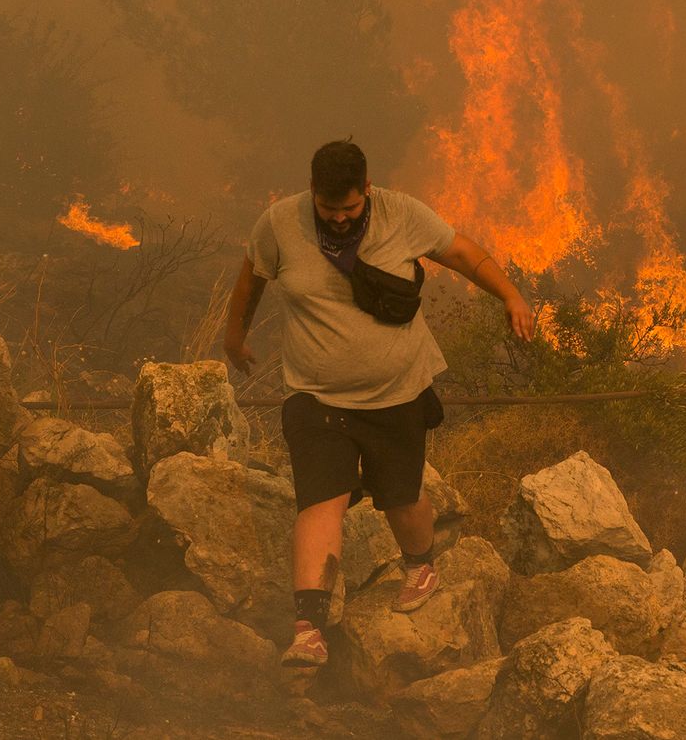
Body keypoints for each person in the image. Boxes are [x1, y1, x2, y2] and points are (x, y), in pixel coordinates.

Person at [224, 139, 533, 668]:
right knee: (320, 502)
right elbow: (251, 275)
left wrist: (510, 294)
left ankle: (421, 563)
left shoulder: (401, 214)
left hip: (396, 395)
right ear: (312, 191)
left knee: (401, 498)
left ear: (366, 189)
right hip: (316, 396)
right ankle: (308, 630)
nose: (339, 218)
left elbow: (461, 252)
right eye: (328, 208)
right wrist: (234, 336)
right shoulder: (280, 224)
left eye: (349, 207)